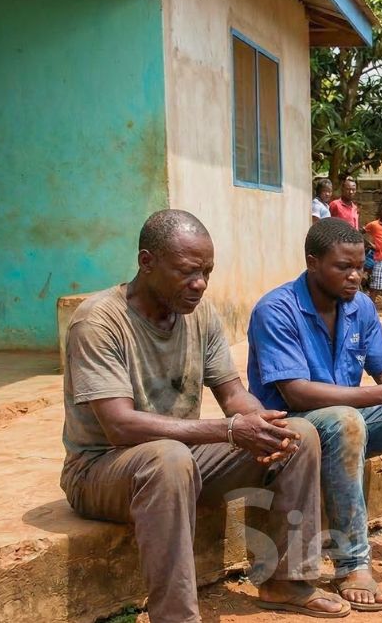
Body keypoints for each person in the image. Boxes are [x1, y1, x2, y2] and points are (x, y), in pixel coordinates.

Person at [61, 210, 349, 621]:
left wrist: (263, 426)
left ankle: (286, 581)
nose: (199, 284)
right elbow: (119, 425)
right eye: (187, 272)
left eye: (207, 272)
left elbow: (232, 394)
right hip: (101, 469)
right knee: (168, 458)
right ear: (147, 262)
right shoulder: (99, 321)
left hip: (179, 459)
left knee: (297, 435)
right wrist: (229, 430)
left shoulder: (200, 314)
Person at [246, 219, 382, 613]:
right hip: (295, 432)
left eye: (360, 267)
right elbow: (296, 392)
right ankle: (351, 564)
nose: (355, 276)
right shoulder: (276, 310)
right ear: (312, 262)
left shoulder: (360, 307)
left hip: (346, 424)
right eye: (343, 267)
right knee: (345, 420)